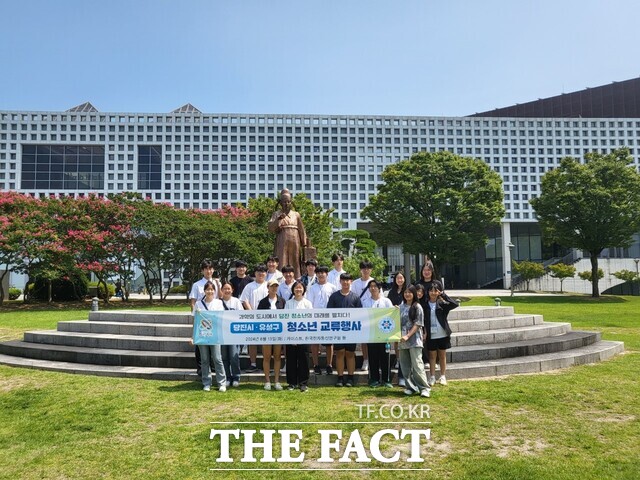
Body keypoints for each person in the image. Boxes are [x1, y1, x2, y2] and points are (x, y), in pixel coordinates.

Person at [326, 273, 362, 387]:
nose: (346, 283)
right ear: (340, 282)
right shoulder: (334, 296)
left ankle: (350, 377)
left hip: (351, 330)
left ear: (351, 282)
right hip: (338, 330)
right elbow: (329, 313)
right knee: (340, 353)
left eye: (348, 280)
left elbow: (360, 314)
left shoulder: (355, 297)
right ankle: (340, 377)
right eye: (343, 280)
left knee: (350, 353)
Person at [192, 281, 227, 392]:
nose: (210, 291)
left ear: (215, 291)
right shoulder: (198, 304)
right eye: (208, 289)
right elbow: (196, 321)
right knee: (205, 359)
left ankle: (222, 383)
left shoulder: (218, 303)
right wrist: (193, 336)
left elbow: (221, 318)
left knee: (217, 358)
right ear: (204, 291)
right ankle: (206, 382)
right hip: (202, 335)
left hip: (215, 335)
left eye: (212, 289)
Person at [424, 280, 459, 387]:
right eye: (431, 291)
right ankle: (432, 376)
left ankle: (443, 376)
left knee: (442, 355)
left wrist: (443, 294)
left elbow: (455, 304)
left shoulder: (442, 304)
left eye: (436, 291)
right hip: (431, 334)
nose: (433, 293)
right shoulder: (424, 304)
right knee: (432, 356)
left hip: (442, 333)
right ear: (428, 292)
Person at [398, 285, 431, 398]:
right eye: (405, 292)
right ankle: (410, 387)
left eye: (410, 292)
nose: (407, 294)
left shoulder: (417, 307)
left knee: (417, 365)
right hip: (402, 340)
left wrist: (408, 335)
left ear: (414, 294)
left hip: (414, 340)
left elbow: (418, 324)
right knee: (405, 366)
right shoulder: (401, 307)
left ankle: (424, 388)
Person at [189, 259, 220, 375]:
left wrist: (217, 284)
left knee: (213, 342)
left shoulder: (217, 283)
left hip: (214, 318)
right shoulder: (197, 285)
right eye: (206, 268)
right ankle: (200, 368)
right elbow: (193, 301)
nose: (209, 271)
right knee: (200, 342)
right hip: (201, 318)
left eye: (210, 268)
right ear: (202, 270)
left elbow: (220, 298)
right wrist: (195, 314)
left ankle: (212, 367)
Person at [268, 189, 307, 279]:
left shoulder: (296, 214)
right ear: (281, 203)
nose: (287, 204)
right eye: (284, 202)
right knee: (282, 259)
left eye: (289, 202)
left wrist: (304, 243)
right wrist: (278, 219)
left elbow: (301, 229)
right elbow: (270, 228)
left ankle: (297, 279)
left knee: (295, 260)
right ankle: (280, 278)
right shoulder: (276, 214)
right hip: (282, 239)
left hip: (295, 240)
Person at [362, 280, 393, 388]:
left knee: (385, 357)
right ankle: (374, 379)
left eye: (375, 286)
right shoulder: (365, 302)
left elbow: (391, 315)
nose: (373, 288)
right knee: (372, 357)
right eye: (370, 286)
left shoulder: (386, 301)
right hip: (371, 334)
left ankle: (386, 379)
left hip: (385, 334)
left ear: (379, 288)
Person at [307, 265, 337, 375]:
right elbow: (309, 303)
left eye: (323, 272)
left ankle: (329, 364)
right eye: (318, 272)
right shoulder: (312, 288)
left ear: (327, 274)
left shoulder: (332, 287)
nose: (321, 274)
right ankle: (316, 365)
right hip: (315, 318)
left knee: (329, 343)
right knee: (315, 342)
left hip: (329, 318)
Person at [257, 278, 286, 391]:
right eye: (272, 286)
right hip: (266, 333)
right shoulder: (263, 302)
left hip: (279, 333)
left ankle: (277, 381)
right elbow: (258, 318)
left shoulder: (282, 301)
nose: (274, 288)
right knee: (267, 357)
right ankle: (267, 381)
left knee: (278, 357)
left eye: (276, 286)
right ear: (268, 288)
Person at [239, 264, 269, 372]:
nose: (261, 274)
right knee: (252, 341)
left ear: (266, 273)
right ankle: (253, 363)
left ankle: (267, 363)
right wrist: (252, 312)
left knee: (267, 342)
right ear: (255, 273)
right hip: (252, 317)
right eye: (258, 271)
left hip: (267, 318)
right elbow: (244, 300)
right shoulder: (249, 286)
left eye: (263, 271)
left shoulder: (269, 285)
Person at [284, 281, 312, 392]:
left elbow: (310, 319)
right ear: (293, 290)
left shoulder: (308, 303)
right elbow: (286, 319)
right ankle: (291, 383)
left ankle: (303, 383)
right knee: (291, 359)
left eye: (300, 288)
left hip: (304, 335)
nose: (298, 290)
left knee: (304, 360)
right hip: (291, 336)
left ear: (304, 290)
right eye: (296, 288)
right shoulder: (288, 303)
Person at [350, 260, 375, 371]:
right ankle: (365, 360)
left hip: (373, 313)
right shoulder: (355, 283)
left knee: (373, 338)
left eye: (368, 268)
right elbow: (353, 297)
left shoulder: (374, 281)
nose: (366, 270)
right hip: (360, 313)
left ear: (371, 270)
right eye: (364, 268)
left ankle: (374, 360)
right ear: (360, 270)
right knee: (364, 338)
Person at [219, 280, 244, 388]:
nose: (227, 291)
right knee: (224, 357)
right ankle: (227, 377)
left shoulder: (236, 301)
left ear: (232, 290)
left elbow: (241, 316)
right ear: (221, 290)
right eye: (225, 289)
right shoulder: (218, 302)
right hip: (222, 334)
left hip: (234, 333)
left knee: (234, 356)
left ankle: (236, 376)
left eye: (229, 288)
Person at [388, 271, 407, 386]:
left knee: (403, 339)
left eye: (401, 278)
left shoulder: (408, 290)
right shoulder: (392, 292)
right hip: (395, 318)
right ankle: (398, 359)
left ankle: (403, 360)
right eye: (397, 278)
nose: (399, 280)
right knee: (396, 339)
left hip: (406, 319)